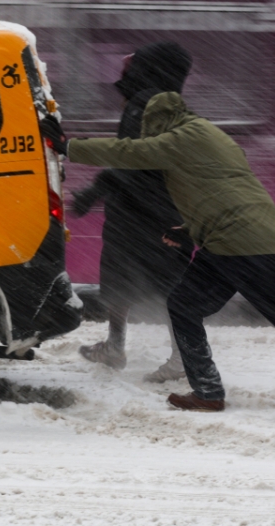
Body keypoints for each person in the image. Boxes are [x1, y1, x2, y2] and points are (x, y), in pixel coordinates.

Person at [54, 92, 275, 413]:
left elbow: (128, 152)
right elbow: (222, 190)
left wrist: (68, 146)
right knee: (183, 305)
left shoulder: (180, 137)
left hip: (240, 245)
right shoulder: (211, 136)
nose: (151, 137)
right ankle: (207, 392)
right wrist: (190, 229)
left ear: (158, 123)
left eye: (151, 130)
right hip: (238, 238)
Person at [71, 43, 194, 382]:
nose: (123, 75)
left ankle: (164, 355)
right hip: (165, 211)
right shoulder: (172, 104)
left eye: (132, 68)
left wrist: (93, 192)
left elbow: (130, 159)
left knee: (132, 282)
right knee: (164, 283)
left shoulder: (143, 106)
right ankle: (159, 351)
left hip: (138, 213)